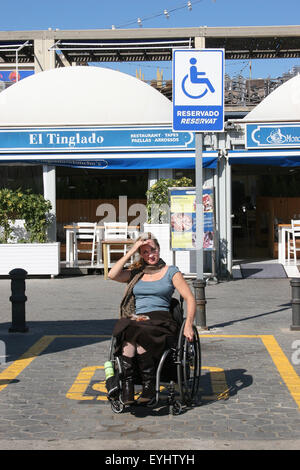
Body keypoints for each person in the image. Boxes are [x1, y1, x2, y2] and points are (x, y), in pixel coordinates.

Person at [108, 232, 196, 406]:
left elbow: (190, 298)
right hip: (138, 317)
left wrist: (188, 324)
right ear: (141, 254)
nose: (150, 255)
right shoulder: (136, 273)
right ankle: (128, 387)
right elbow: (112, 274)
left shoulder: (171, 272)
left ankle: (148, 387)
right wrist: (132, 249)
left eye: (153, 250)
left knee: (135, 329)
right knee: (126, 327)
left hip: (161, 318)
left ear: (159, 249)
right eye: (145, 252)